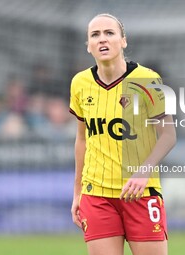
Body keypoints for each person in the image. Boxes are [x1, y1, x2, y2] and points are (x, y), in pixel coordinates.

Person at [69, 13, 176, 255]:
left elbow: (169, 135)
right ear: (88, 46)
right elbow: (82, 139)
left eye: (109, 33)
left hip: (140, 192)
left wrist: (143, 172)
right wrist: (78, 192)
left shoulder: (148, 80)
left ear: (123, 41)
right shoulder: (80, 83)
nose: (102, 39)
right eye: (94, 35)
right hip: (96, 195)